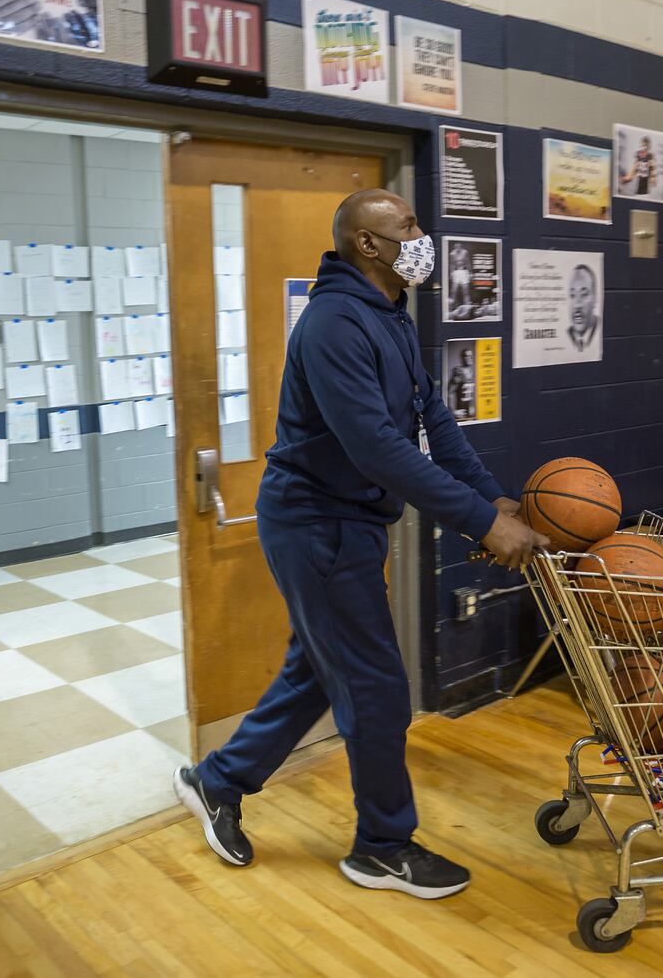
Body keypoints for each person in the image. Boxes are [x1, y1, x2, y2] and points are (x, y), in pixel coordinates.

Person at [175, 189, 547, 901]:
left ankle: (217, 780)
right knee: (377, 689)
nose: (421, 234)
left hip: (348, 522)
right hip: (317, 524)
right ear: (367, 245)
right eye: (405, 226)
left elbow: (431, 416)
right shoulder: (334, 323)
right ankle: (380, 846)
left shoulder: (390, 315)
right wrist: (480, 521)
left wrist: (491, 494)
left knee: (320, 670)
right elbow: (376, 446)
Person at [567, 263, 600, 353]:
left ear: (595, 298)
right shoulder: (566, 337)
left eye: (584, 294)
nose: (577, 305)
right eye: (572, 295)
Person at [447, 345, 476, 422]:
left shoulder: (471, 372)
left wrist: (472, 406)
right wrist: (453, 411)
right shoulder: (458, 372)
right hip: (461, 413)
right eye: (467, 356)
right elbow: (449, 392)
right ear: (462, 358)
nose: (470, 358)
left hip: (470, 413)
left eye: (471, 356)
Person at [447, 242, 473, 320]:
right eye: (456, 247)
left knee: (466, 290)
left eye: (459, 246)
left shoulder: (465, 252)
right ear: (455, 247)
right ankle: (450, 308)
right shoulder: (452, 254)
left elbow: (468, 263)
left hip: (464, 272)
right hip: (456, 272)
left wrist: (470, 272)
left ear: (461, 247)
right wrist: (451, 273)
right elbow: (451, 264)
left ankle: (467, 306)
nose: (458, 248)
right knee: (453, 291)